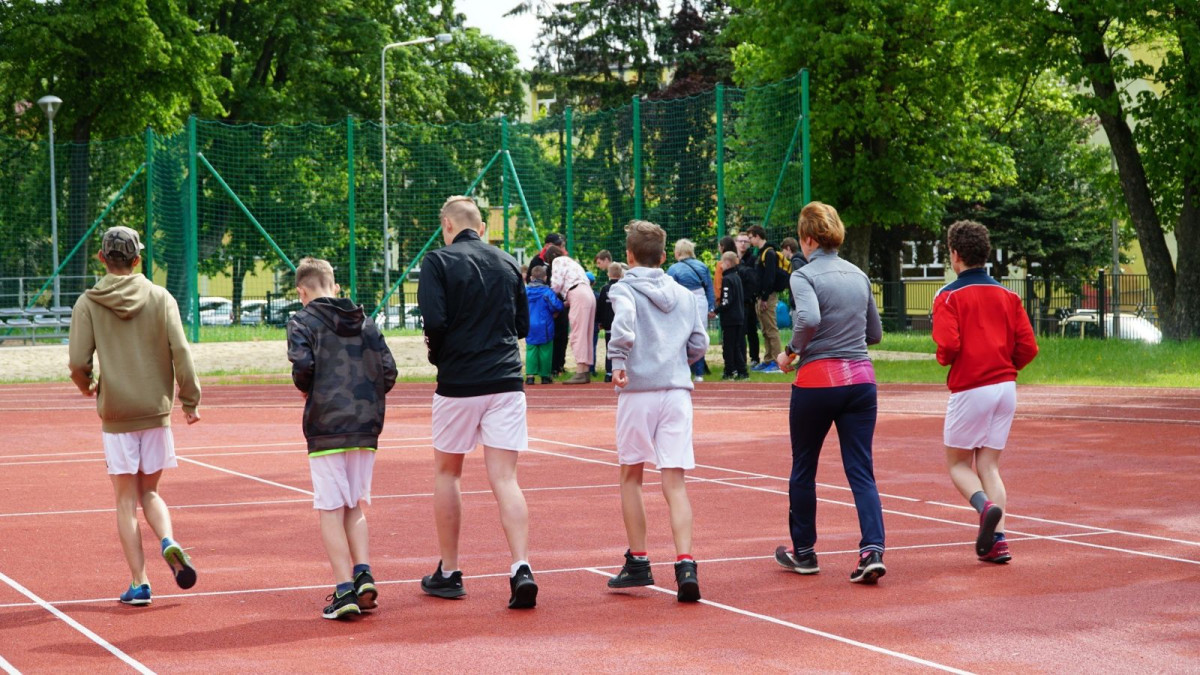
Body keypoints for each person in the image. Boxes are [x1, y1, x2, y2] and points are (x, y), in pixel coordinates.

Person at [67, 226, 201, 607]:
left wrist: (87, 384)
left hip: (117, 413)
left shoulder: (88, 303)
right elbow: (182, 350)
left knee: (125, 501)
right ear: (139, 258)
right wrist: (189, 400)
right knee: (152, 492)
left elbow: (78, 361)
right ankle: (169, 541)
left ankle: (140, 583)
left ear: (101, 258)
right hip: (155, 410)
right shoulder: (161, 297)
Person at [417, 195, 538, 609]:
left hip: (459, 382)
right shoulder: (507, 261)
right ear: (481, 227)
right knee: (506, 478)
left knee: (448, 474)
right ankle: (521, 565)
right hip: (506, 379)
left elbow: (433, 320)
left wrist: (441, 355)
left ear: (446, 226)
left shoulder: (437, 261)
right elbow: (522, 324)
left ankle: (449, 572)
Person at [773, 202, 887, 584]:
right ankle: (872, 548)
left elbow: (808, 318)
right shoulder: (859, 275)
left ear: (807, 238)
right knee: (861, 470)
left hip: (819, 381)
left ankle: (804, 552)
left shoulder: (803, 276)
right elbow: (875, 334)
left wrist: (790, 352)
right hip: (861, 381)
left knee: (804, 466)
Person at [605, 220, 710, 603]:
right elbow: (699, 341)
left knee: (631, 475)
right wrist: (679, 360)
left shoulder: (623, 287)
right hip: (677, 390)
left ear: (629, 256)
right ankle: (685, 563)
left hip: (638, 390)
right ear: (664, 257)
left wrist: (618, 358)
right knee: (675, 480)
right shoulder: (683, 293)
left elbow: (625, 325)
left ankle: (639, 560)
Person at [287, 258, 398, 620]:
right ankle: (363, 572)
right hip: (365, 426)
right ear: (334, 286)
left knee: (330, 509)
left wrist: (311, 391)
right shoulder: (366, 322)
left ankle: (342, 588)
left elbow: (303, 367)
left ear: (302, 291)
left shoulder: (301, 321)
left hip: (326, 425)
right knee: (354, 505)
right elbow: (389, 370)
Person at [933, 220, 1039, 564]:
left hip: (970, 386)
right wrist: (1004, 365)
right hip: (1005, 387)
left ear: (955, 254)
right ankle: (998, 541)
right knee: (990, 465)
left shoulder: (948, 296)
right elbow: (1028, 347)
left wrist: (944, 357)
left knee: (958, 463)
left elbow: (948, 344)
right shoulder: (1009, 296)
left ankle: (984, 507)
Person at [545, 244, 597, 385]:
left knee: (577, 334)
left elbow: (556, 284)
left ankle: (580, 371)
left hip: (578, 294)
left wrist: (549, 298)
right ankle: (585, 369)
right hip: (587, 294)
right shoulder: (571, 261)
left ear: (551, 258)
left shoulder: (557, 261)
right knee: (586, 333)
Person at [667, 239, 715, 382]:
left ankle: (682, 369)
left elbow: (669, 290)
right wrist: (711, 307)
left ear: (677, 252)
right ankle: (699, 373)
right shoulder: (702, 266)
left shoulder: (673, 269)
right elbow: (709, 288)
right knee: (699, 336)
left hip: (682, 302)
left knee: (680, 337)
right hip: (701, 302)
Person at [746, 225, 788, 373]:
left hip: (767, 296)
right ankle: (769, 359)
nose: (750, 241)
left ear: (757, 236)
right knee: (765, 330)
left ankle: (778, 362)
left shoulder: (769, 253)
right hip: (761, 296)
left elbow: (770, 277)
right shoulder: (761, 253)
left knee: (771, 329)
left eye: (750, 238)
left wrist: (764, 297)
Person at [526, 233, 569, 376]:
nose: (560, 248)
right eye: (557, 245)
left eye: (561, 245)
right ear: (548, 245)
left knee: (561, 335)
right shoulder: (537, 261)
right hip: (543, 306)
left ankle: (557, 366)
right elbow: (529, 282)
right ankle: (541, 371)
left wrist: (559, 305)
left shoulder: (563, 260)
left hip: (557, 302)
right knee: (540, 342)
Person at [525, 265, 563, 386]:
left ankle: (530, 376)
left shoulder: (525, 291)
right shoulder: (547, 292)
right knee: (545, 350)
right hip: (545, 325)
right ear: (545, 278)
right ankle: (545, 376)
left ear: (531, 278)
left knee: (531, 349)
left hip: (529, 324)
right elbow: (557, 306)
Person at [716, 251, 748, 380]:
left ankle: (728, 370)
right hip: (739, 316)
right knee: (736, 345)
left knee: (728, 346)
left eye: (722, 262)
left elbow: (726, 300)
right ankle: (742, 371)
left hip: (730, 318)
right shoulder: (737, 277)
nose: (721, 266)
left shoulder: (727, 279)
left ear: (728, 263)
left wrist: (717, 310)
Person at [734, 231, 761, 369]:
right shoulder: (731, 259)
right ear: (735, 243)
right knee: (739, 331)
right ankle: (740, 359)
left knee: (751, 330)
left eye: (746, 241)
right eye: (740, 241)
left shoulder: (753, 259)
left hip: (749, 300)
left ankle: (755, 358)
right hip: (735, 301)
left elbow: (754, 279)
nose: (743, 244)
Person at [595, 262, 624, 383]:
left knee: (609, 348)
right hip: (622, 325)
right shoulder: (624, 288)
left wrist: (599, 321)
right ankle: (621, 371)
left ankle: (608, 373)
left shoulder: (605, 289)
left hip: (608, 325)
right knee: (622, 348)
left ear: (608, 274)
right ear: (621, 274)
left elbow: (600, 306)